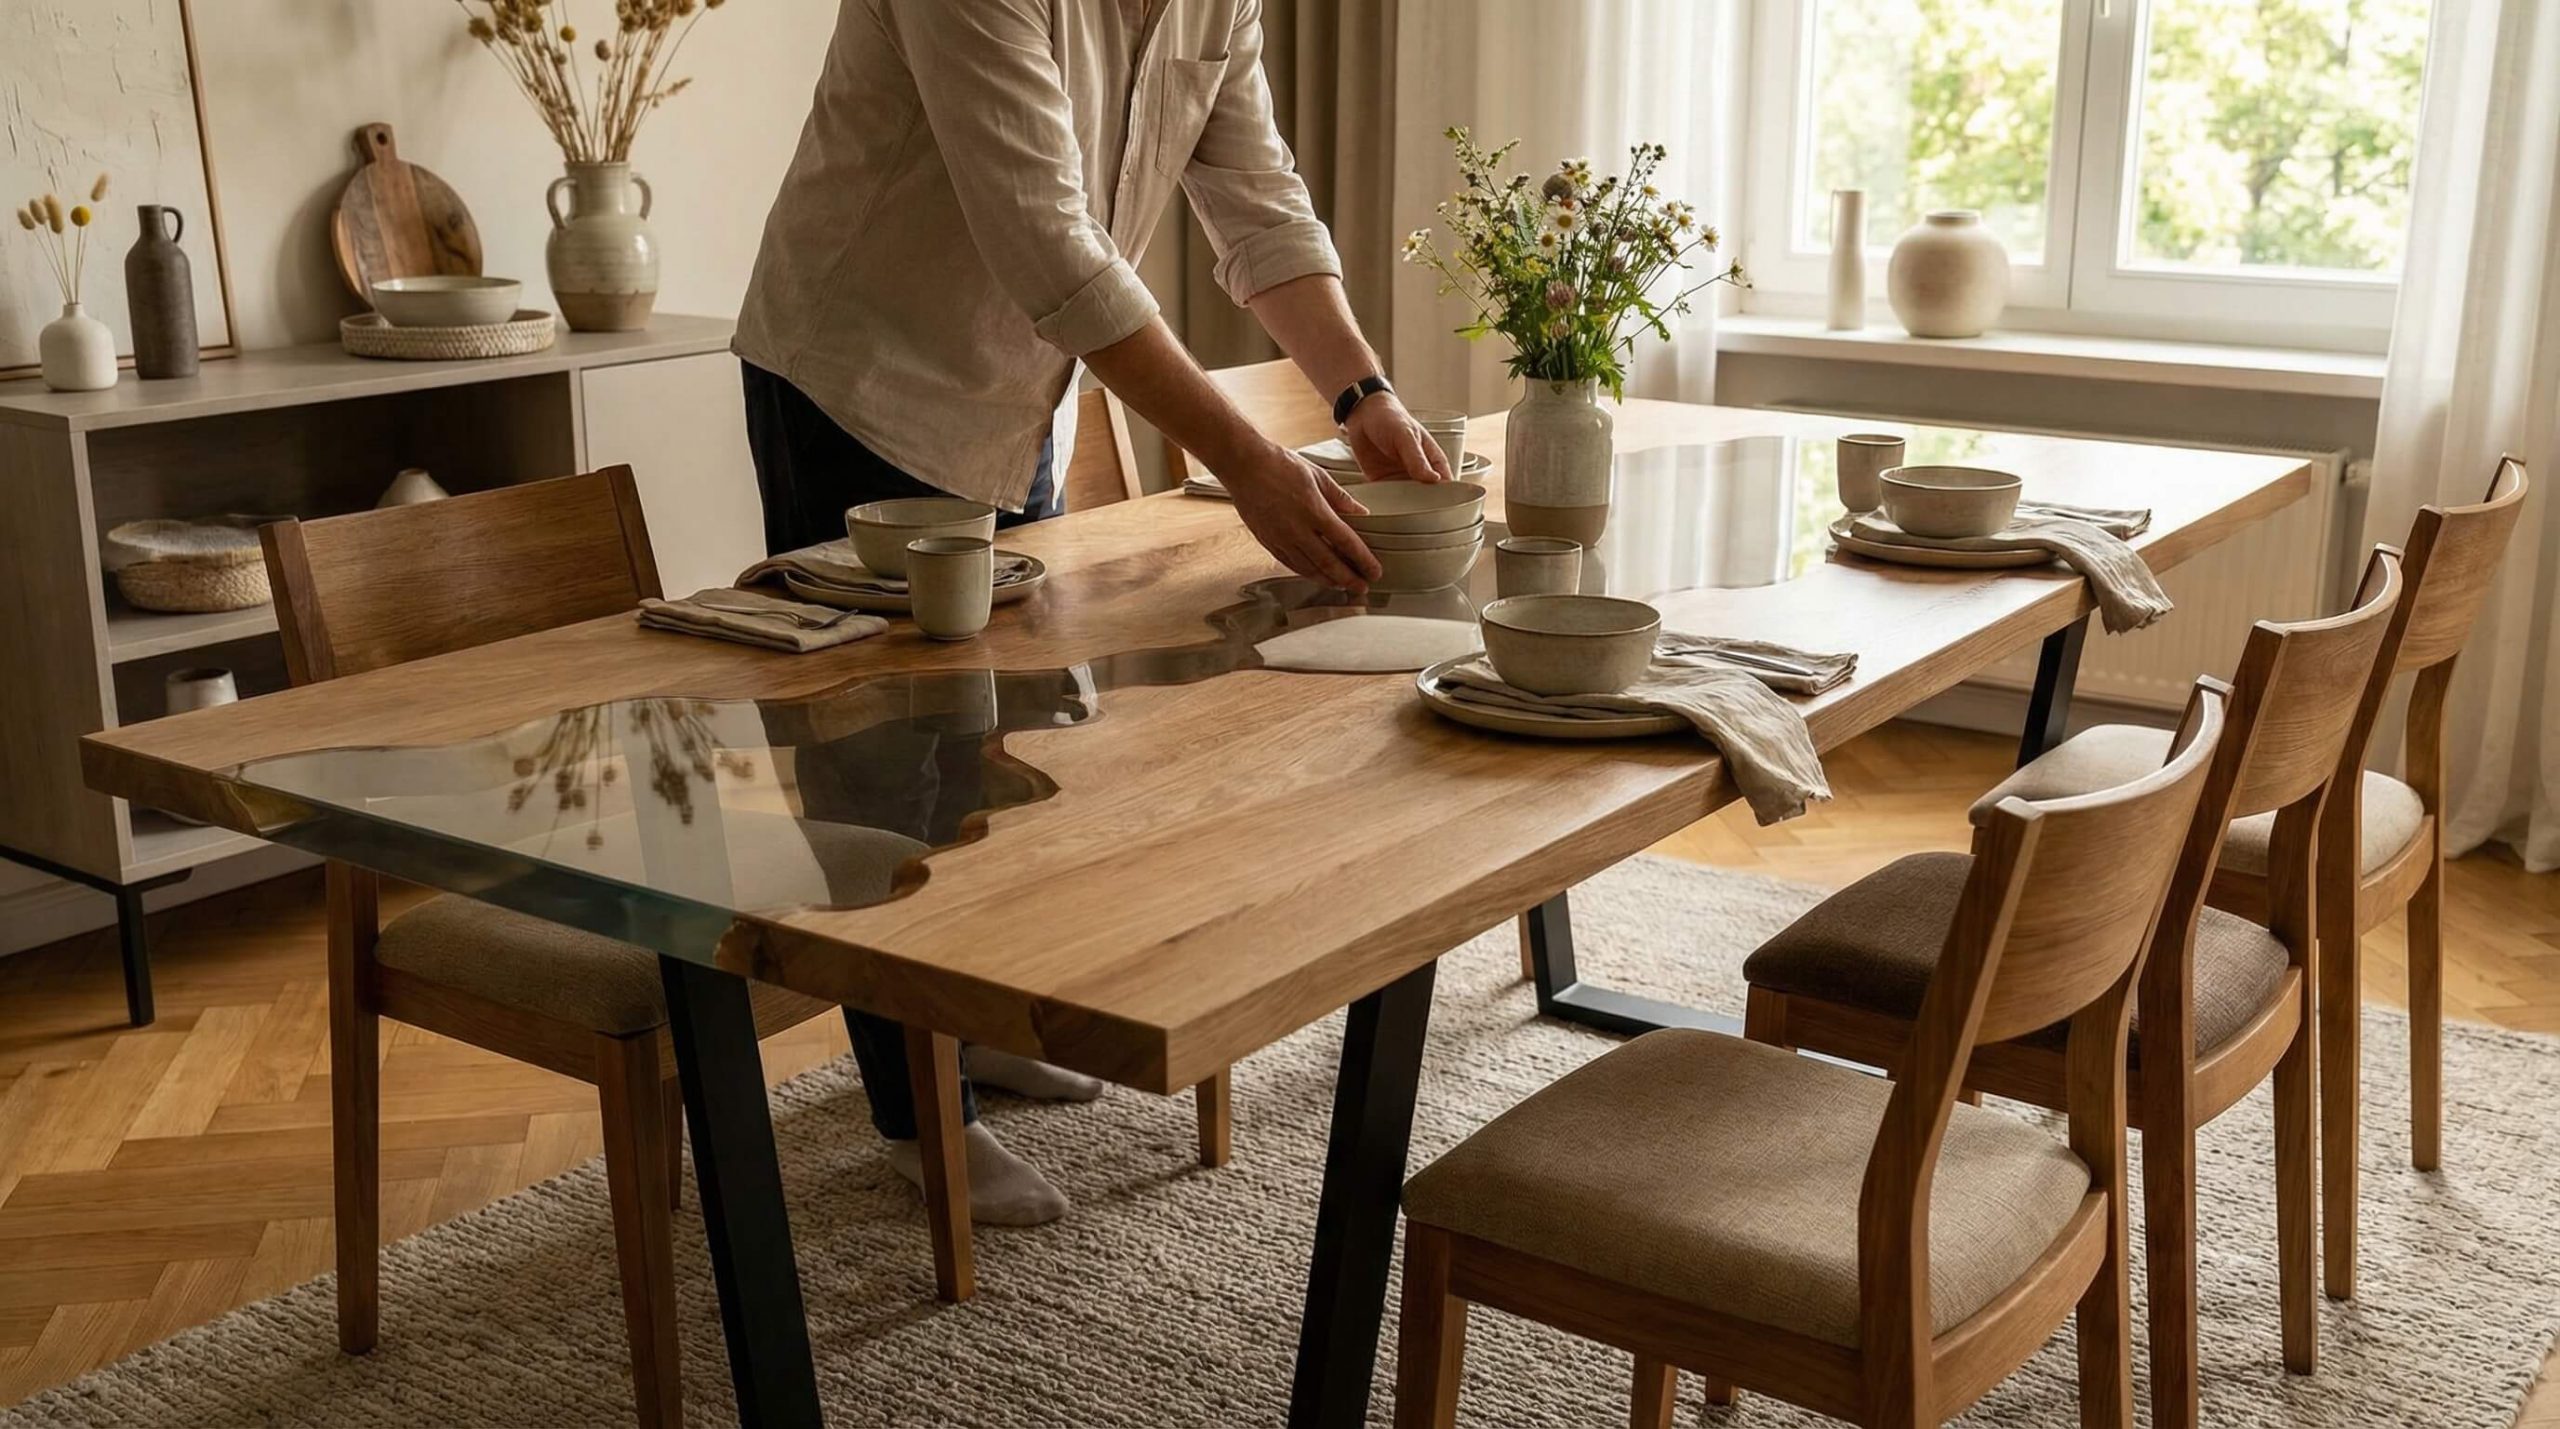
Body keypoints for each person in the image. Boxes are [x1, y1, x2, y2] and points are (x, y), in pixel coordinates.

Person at [735, 0, 1447, 1226]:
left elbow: (1260, 205)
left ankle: (975, 1022)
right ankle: (917, 1115)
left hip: (1025, 388)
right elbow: (1050, 245)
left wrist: (1359, 391)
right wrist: (1246, 460)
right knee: (876, 764)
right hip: (860, 382)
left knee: (1003, 743)